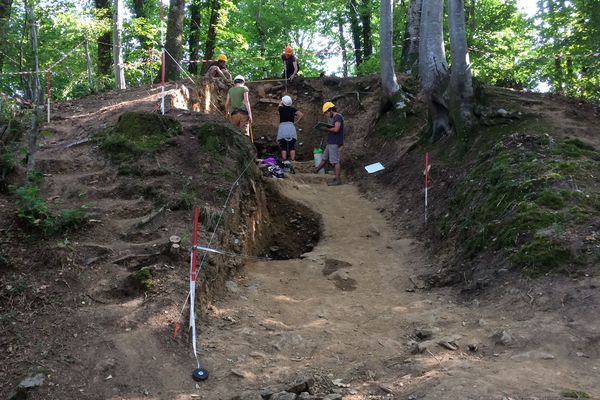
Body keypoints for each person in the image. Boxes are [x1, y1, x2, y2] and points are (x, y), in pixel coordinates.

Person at [315, 101, 344, 186]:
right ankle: (315, 171)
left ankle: (337, 180)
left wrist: (326, 129)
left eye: (326, 113)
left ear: (331, 110)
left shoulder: (338, 117)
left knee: (335, 161)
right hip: (331, 142)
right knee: (324, 158)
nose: (326, 115)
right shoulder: (334, 118)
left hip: (334, 142)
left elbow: (336, 129)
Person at [276, 95, 303, 162]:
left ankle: (284, 160)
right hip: (291, 127)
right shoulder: (293, 109)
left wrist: (281, 102)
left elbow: (279, 104)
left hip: (283, 128)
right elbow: (301, 114)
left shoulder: (280, 109)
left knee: (284, 146)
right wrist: (296, 122)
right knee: (292, 145)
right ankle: (293, 160)